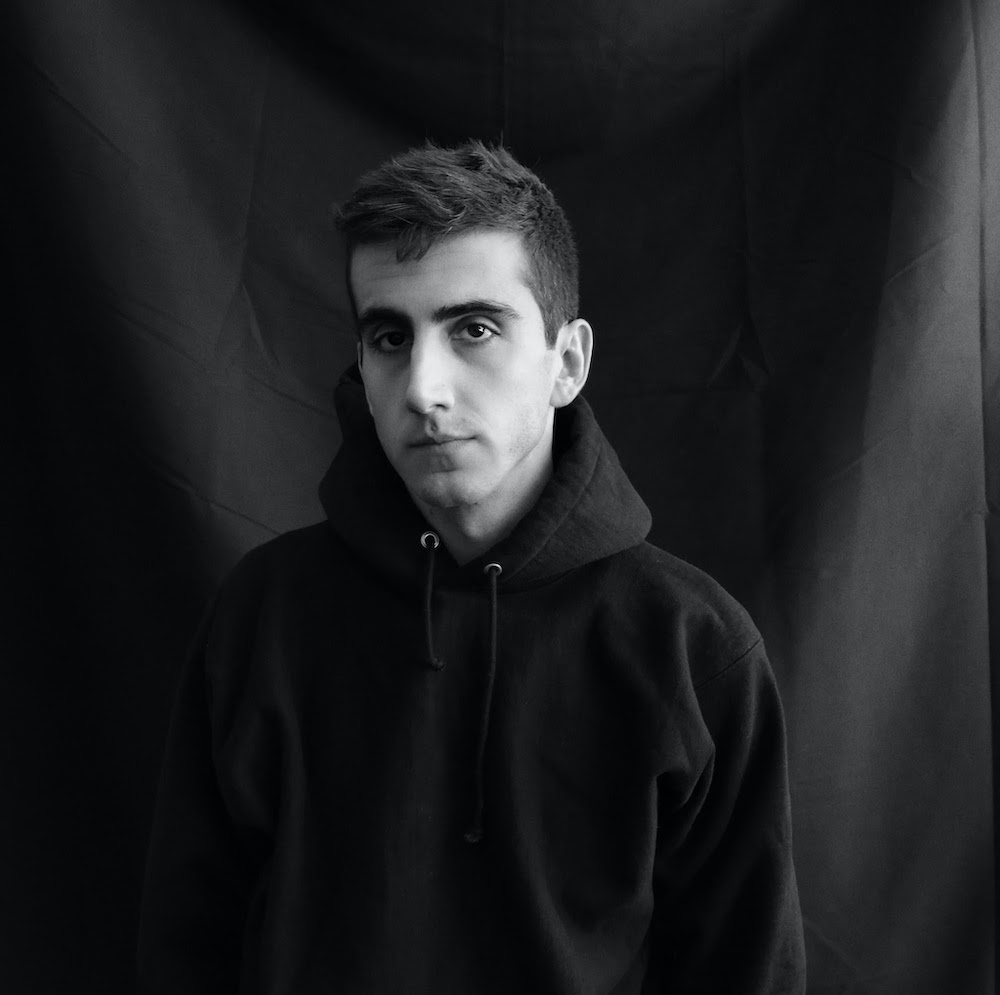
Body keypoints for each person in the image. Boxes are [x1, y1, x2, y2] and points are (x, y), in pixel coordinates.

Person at [138, 140, 806, 993]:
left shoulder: (692, 647)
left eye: (475, 328)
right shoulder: (264, 615)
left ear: (567, 362)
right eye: (390, 337)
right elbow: (185, 948)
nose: (423, 388)